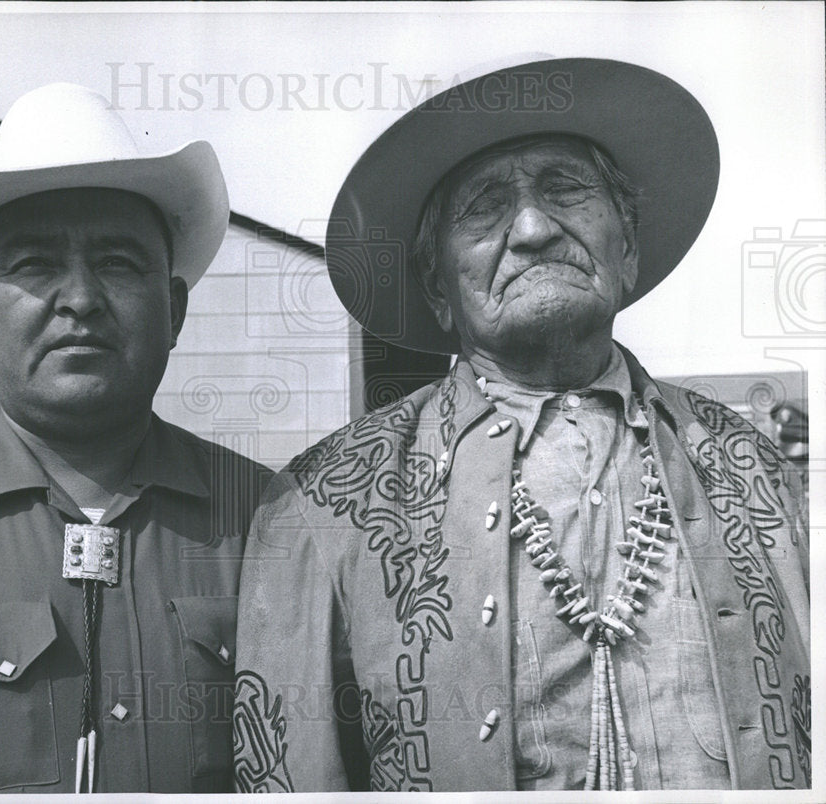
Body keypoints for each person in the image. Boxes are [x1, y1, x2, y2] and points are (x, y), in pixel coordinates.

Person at [233, 58, 810, 792]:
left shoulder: (756, 469)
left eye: (567, 189)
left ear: (626, 245)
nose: (535, 228)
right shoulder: (320, 505)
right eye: (483, 207)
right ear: (438, 286)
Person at [0, 83, 267, 794]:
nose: (79, 298)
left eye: (116, 262)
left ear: (173, 310)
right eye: (35, 264)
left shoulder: (271, 522)